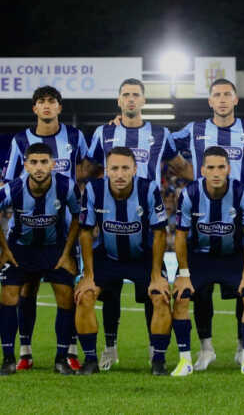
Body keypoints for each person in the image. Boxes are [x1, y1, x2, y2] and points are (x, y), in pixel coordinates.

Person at [171, 78, 244, 370]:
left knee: (243, 290)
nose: (222, 99)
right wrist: (124, 126)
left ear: (236, 100)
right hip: (202, 218)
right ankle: (206, 350)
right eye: (216, 95)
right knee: (201, 293)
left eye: (227, 95)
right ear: (209, 101)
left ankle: (240, 348)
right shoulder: (194, 130)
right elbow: (161, 143)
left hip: (238, 214)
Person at [88, 78, 192, 370]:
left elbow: (182, 165)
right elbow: (87, 167)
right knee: (109, 293)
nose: (131, 99)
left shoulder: (161, 134)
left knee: (152, 290)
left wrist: (213, 185)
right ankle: (109, 348)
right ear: (118, 101)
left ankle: (153, 348)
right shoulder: (103, 132)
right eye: (126, 95)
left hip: (147, 223)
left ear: (144, 101)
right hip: (111, 220)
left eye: (136, 95)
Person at [1, 85, 88, 371]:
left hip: (63, 234)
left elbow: (90, 168)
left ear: (60, 107)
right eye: (41, 102)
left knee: (67, 291)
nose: (47, 106)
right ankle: (24, 352)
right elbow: (9, 183)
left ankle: (69, 352)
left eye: (52, 101)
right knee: (27, 291)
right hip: (25, 231)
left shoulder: (75, 137)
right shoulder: (20, 140)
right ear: (35, 109)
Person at [0, 143, 81, 376]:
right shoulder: (11, 190)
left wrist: (68, 252)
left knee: (66, 297)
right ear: (26, 165)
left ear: (52, 164)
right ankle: (9, 358)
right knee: (10, 296)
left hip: (54, 249)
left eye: (44, 162)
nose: (39, 167)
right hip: (20, 249)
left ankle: (61, 359)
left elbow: (79, 216)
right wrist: (4, 249)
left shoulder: (67, 187)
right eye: (34, 162)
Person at [75, 147, 171, 375]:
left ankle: (157, 360)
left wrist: (157, 276)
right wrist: (87, 276)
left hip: (143, 257)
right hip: (107, 256)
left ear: (135, 169)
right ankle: (91, 359)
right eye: (114, 168)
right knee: (84, 296)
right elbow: (86, 232)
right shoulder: (94, 189)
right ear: (106, 170)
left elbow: (160, 233)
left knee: (161, 297)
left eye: (125, 168)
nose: (119, 174)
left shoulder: (148, 189)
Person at [170, 146, 244, 377]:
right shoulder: (189, 194)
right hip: (199, 257)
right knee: (182, 297)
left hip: (233, 257)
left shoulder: (243, 193)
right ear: (202, 170)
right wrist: (183, 274)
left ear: (228, 169)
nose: (216, 172)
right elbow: (180, 236)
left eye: (221, 167)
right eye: (210, 167)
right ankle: (191, 357)